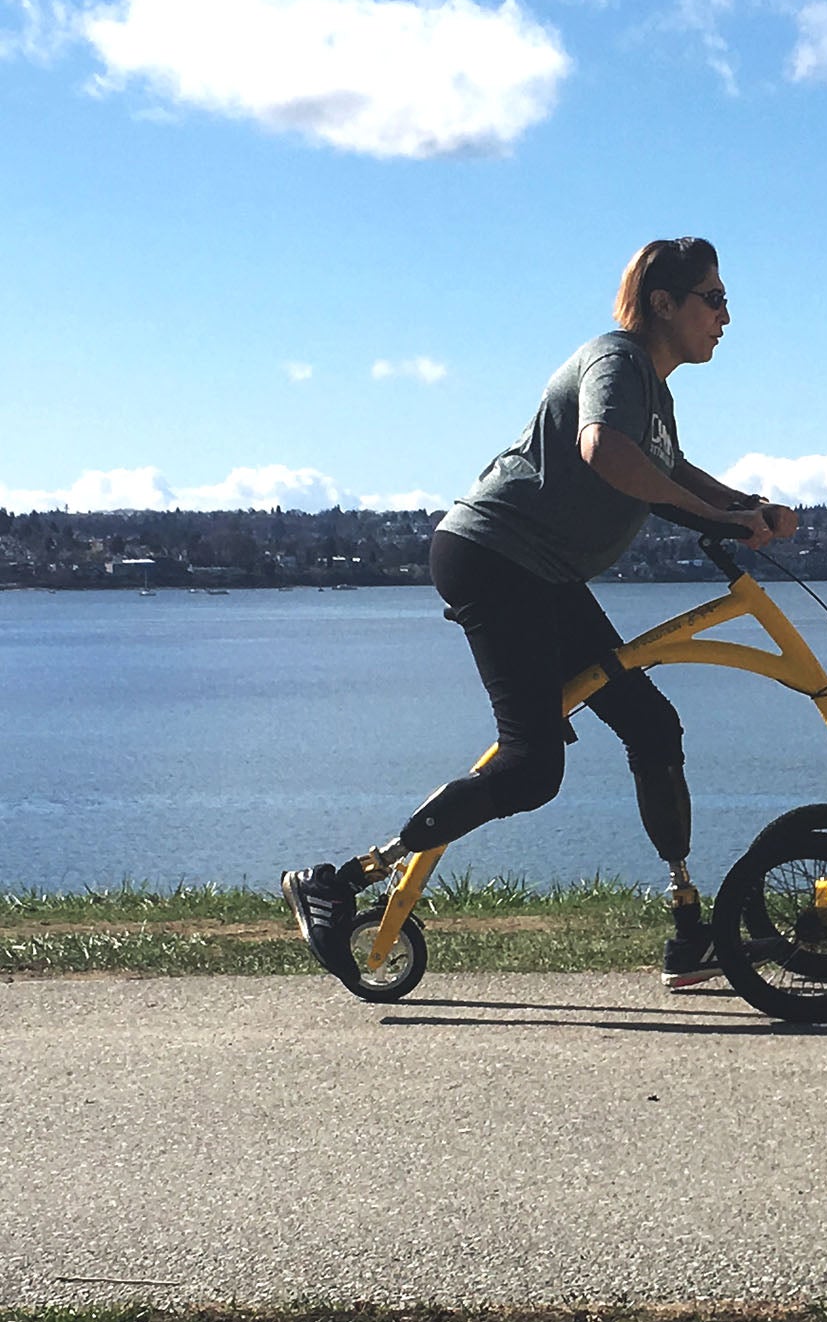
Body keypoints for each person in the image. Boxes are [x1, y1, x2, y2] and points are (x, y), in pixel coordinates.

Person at [281, 237, 797, 989]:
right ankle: (336, 882)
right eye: (713, 299)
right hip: (495, 559)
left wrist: (744, 508)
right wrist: (713, 516)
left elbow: (669, 472)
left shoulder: (653, 389)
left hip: (542, 575)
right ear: (665, 303)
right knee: (530, 767)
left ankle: (690, 927)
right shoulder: (617, 361)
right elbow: (605, 452)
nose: (726, 316)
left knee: (652, 724)